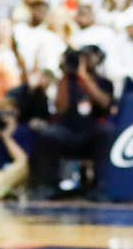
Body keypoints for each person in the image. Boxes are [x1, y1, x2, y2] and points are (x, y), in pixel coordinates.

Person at [30, 46, 114, 197]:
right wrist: (65, 75)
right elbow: (60, 108)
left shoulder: (103, 81)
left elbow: (104, 103)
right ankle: (48, 186)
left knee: (107, 132)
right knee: (48, 134)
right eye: (82, 58)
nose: (84, 61)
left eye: (88, 57)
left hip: (91, 131)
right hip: (68, 131)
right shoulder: (67, 81)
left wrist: (84, 77)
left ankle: (101, 185)